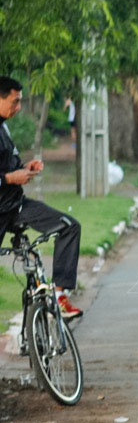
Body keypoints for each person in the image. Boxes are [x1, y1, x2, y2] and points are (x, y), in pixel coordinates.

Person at [0, 77, 83, 318]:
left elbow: (8, 166)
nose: (18, 108)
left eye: (20, 102)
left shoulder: (3, 126)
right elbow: (5, 176)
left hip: (16, 206)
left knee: (69, 227)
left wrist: (26, 168)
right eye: (14, 102)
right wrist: (8, 179)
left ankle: (58, 298)